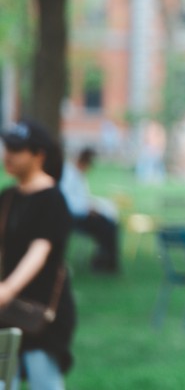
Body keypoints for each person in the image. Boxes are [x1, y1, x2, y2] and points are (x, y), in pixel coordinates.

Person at [0, 119, 77, 389]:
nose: (7, 155)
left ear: (38, 155)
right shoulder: (8, 197)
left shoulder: (53, 199)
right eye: (6, 147)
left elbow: (40, 250)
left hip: (41, 314)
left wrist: (7, 289)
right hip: (5, 312)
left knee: (44, 383)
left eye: (16, 150)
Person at [60, 147, 120, 274]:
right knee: (106, 226)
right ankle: (104, 261)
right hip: (73, 217)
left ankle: (106, 261)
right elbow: (67, 200)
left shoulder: (78, 175)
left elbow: (82, 197)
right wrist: (87, 208)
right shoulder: (68, 174)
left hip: (81, 213)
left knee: (110, 224)